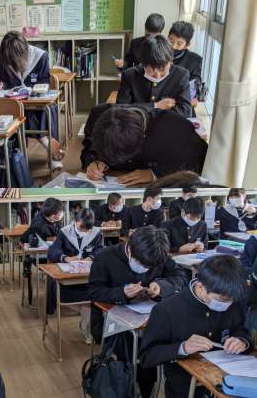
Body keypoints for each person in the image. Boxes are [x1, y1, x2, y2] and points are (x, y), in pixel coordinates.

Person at [88, 226, 188, 397]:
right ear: (130, 249)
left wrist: (161, 286)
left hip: (149, 319)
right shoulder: (105, 257)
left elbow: (181, 277)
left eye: (149, 266)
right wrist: (121, 293)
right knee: (137, 347)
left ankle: (149, 388)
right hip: (112, 322)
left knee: (166, 340)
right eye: (141, 263)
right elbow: (94, 292)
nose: (145, 268)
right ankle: (127, 385)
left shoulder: (158, 254)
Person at [140, 255, 252, 398]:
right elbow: (147, 357)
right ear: (200, 286)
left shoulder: (233, 300)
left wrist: (241, 341)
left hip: (230, 379)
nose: (228, 304)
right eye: (222, 300)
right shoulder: (167, 310)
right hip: (186, 385)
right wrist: (183, 347)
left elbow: (240, 329)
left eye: (231, 300)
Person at [81, 106, 207, 186]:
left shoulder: (176, 127)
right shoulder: (97, 115)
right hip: (108, 183)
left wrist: (155, 174)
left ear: (143, 137)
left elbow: (196, 162)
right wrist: (93, 163)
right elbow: (88, 150)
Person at [0, 31, 64, 170]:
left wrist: (30, 90)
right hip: (15, 104)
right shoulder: (3, 58)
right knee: (11, 110)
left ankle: (50, 152)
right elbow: (3, 82)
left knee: (49, 109)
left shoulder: (40, 56)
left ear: (24, 52)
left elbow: (44, 83)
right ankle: (42, 143)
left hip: (35, 103)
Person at [47, 208, 104, 343]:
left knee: (95, 294)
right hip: (67, 279)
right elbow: (53, 251)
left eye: (87, 229)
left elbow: (101, 250)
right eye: (81, 228)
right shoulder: (65, 232)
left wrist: (90, 258)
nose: (84, 231)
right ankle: (87, 326)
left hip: (87, 276)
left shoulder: (96, 233)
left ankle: (89, 328)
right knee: (86, 299)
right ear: (75, 221)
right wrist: (65, 258)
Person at [116, 35, 192, 118]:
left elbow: (186, 112)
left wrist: (139, 108)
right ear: (143, 64)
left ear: (170, 62)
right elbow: (120, 110)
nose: (157, 76)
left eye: (163, 70)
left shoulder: (181, 75)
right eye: (151, 71)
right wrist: (156, 106)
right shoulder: (129, 75)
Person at [168, 21, 203, 109]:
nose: (173, 46)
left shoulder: (195, 60)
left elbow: (195, 83)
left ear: (187, 45)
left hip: (181, 104)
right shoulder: (160, 53)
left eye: (179, 44)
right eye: (171, 41)